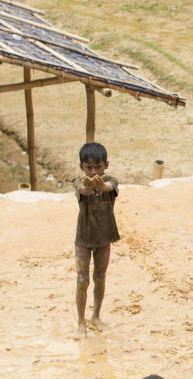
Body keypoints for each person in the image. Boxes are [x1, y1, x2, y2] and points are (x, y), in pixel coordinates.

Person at [72, 142, 120, 339]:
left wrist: (101, 185)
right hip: (83, 239)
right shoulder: (78, 182)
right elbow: (83, 190)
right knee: (82, 280)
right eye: (89, 168)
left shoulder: (111, 181)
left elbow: (110, 186)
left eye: (98, 167)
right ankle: (81, 322)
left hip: (104, 237)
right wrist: (91, 186)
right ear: (82, 167)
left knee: (99, 278)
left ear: (106, 165)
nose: (93, 172)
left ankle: (96, 316)